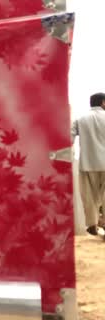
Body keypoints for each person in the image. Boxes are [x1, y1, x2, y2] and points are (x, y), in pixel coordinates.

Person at [71, 92, 105, 238]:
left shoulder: (80, 119)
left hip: (87, 164)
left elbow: (68, 139)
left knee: (89, 196)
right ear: (103, 102)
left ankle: (92, 224)